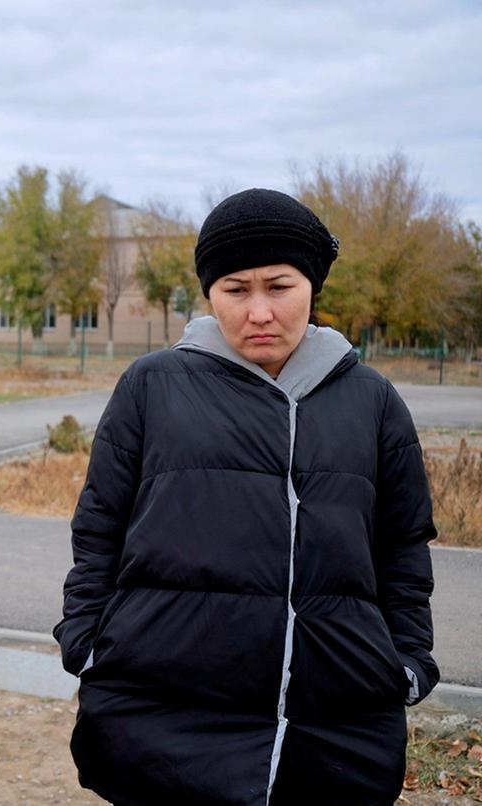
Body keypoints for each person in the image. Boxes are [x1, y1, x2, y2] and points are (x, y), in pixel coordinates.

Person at [54, 188, 438, 806]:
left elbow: (402, 545)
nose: (259, 311)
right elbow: (100, 527)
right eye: (236, 289)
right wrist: (89, 644)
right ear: (210, 294)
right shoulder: (152, 386)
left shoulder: (372, 400)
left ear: (312, 288)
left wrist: (407, 662)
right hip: (164, 717)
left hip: (330, 724)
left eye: (278, 286)